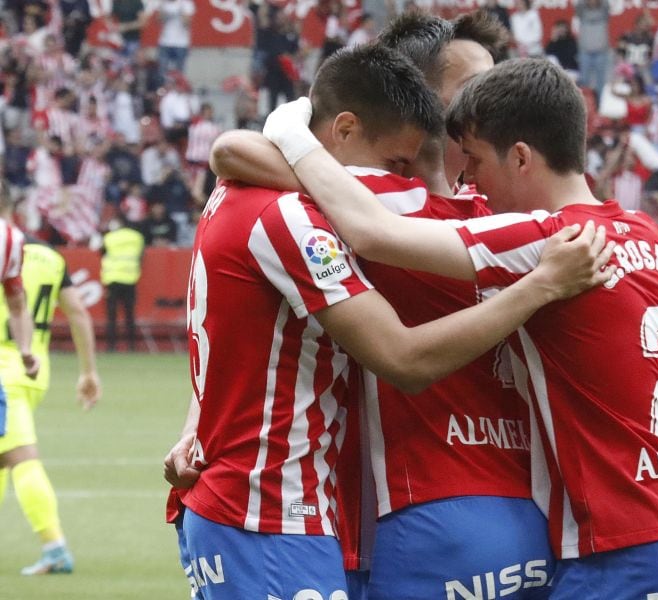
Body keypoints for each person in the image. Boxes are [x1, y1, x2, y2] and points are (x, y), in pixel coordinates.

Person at [165, 46, 611, 600]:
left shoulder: (243, 195)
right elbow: (401, 356)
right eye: (398, 163)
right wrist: (540, 285)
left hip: (271, 505)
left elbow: (244, 330)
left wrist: (197, 423)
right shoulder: (295, 213)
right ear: (345, 129)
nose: (403, 177)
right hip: (270, 508)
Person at [263, 58, 658, 598]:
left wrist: (287, 132)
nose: (468, 180)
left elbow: (371, 232)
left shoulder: (553, 241)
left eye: (476, 160)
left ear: (521, 157)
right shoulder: (643, 232)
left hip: (622, 546)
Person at [0, 230, 101, 575]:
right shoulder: (51, 257)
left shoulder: (5, 250)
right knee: (3, 457)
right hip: (34, 367)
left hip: (5, 366)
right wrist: (88, 371)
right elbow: (77, 312)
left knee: (21, 457)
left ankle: (54, 546)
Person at [0, 187, 44, 570]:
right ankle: (56, 545)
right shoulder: (10, 238)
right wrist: (27, 349)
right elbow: (16, 302)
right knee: (17, 455)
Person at [100, 220, 145, 351]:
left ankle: (111, 346)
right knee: (130, 315)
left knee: (111, 315)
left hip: (112, 279)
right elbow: (141, 256)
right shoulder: (137, 237)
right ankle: (131, 345)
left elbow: (102, 252)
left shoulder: (109, 237)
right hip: (130, 279)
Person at [574, 0, 609, 99]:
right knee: (584, 81)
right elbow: (578, 4)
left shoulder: (603, 11)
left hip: (601, 51)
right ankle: (585, 106)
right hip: (585, 52)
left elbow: (606, 3)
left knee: (600, 82)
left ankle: (599, 106)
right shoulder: (582, 12)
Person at [155, 0, 195, 75]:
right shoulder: (164, 4)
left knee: (179, 72)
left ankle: (178, 87)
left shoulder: (186, 3)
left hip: (181, 43)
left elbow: (187, 23)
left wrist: (181, 11)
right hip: (165, 42)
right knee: (162, 71)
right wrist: (163, 11)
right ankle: (163, 86)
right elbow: (158, 21)